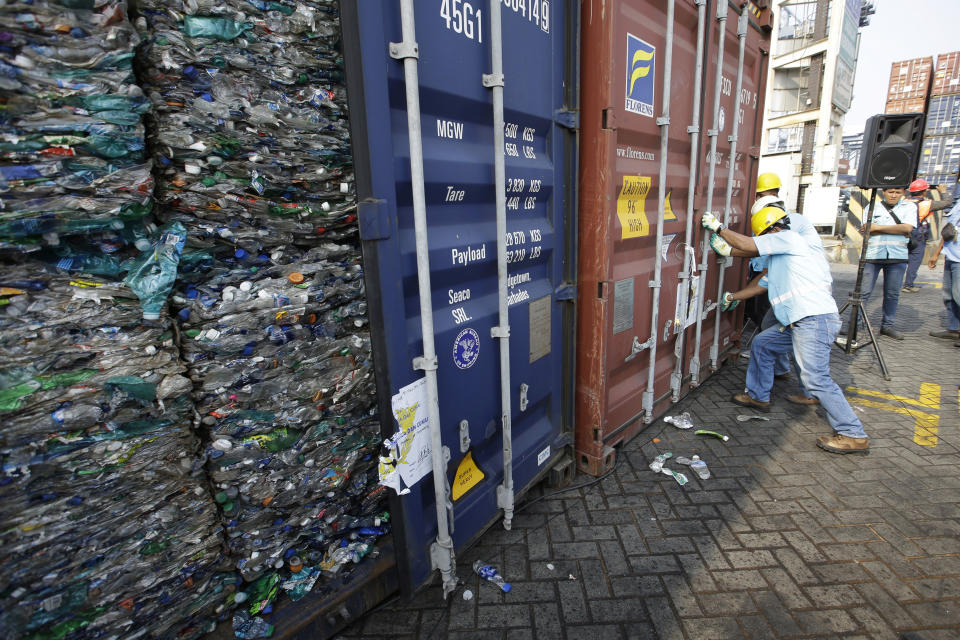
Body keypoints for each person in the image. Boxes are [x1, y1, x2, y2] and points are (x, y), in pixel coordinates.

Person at [703, 206, 869, 454]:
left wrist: (719, 228)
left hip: (813, 321)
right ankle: (758, 396)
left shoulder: (791, 239)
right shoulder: (784, 258)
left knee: (816, 379)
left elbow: (748, 245)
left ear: (774, 230)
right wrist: (734, 296)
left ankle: (852, 433)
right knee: (763, 343)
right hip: (800, 322)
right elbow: (761, 285)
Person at [856, 187, 917, 340]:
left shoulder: (909, 207)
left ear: (903, 193)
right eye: (891, 192)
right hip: (872, 256)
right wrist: (897, 229)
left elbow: (907, 227)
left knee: (892, 294)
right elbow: (866, 229)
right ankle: (853, 325)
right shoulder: (872, 207)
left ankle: (887, 326)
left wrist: (878, 227)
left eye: (898, 192)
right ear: (884, 191)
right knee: (863, 293)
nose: (894, 195)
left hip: (897, 257)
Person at [902, 179, 954, 292]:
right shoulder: (926, 204)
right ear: (924, 191)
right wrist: (943, 192)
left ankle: (895, 283)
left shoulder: (904, 202)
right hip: (918, 235)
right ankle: (908, 285)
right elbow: (947, 203)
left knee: (900, 260)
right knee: (914, 260)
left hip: (904, 232)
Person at [927, 200, 960, 347]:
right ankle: (954, 329)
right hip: (951, 256)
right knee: (949, 295)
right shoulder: (958, 204)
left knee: (958, 295)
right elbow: (948, 231)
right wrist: (936, 253)